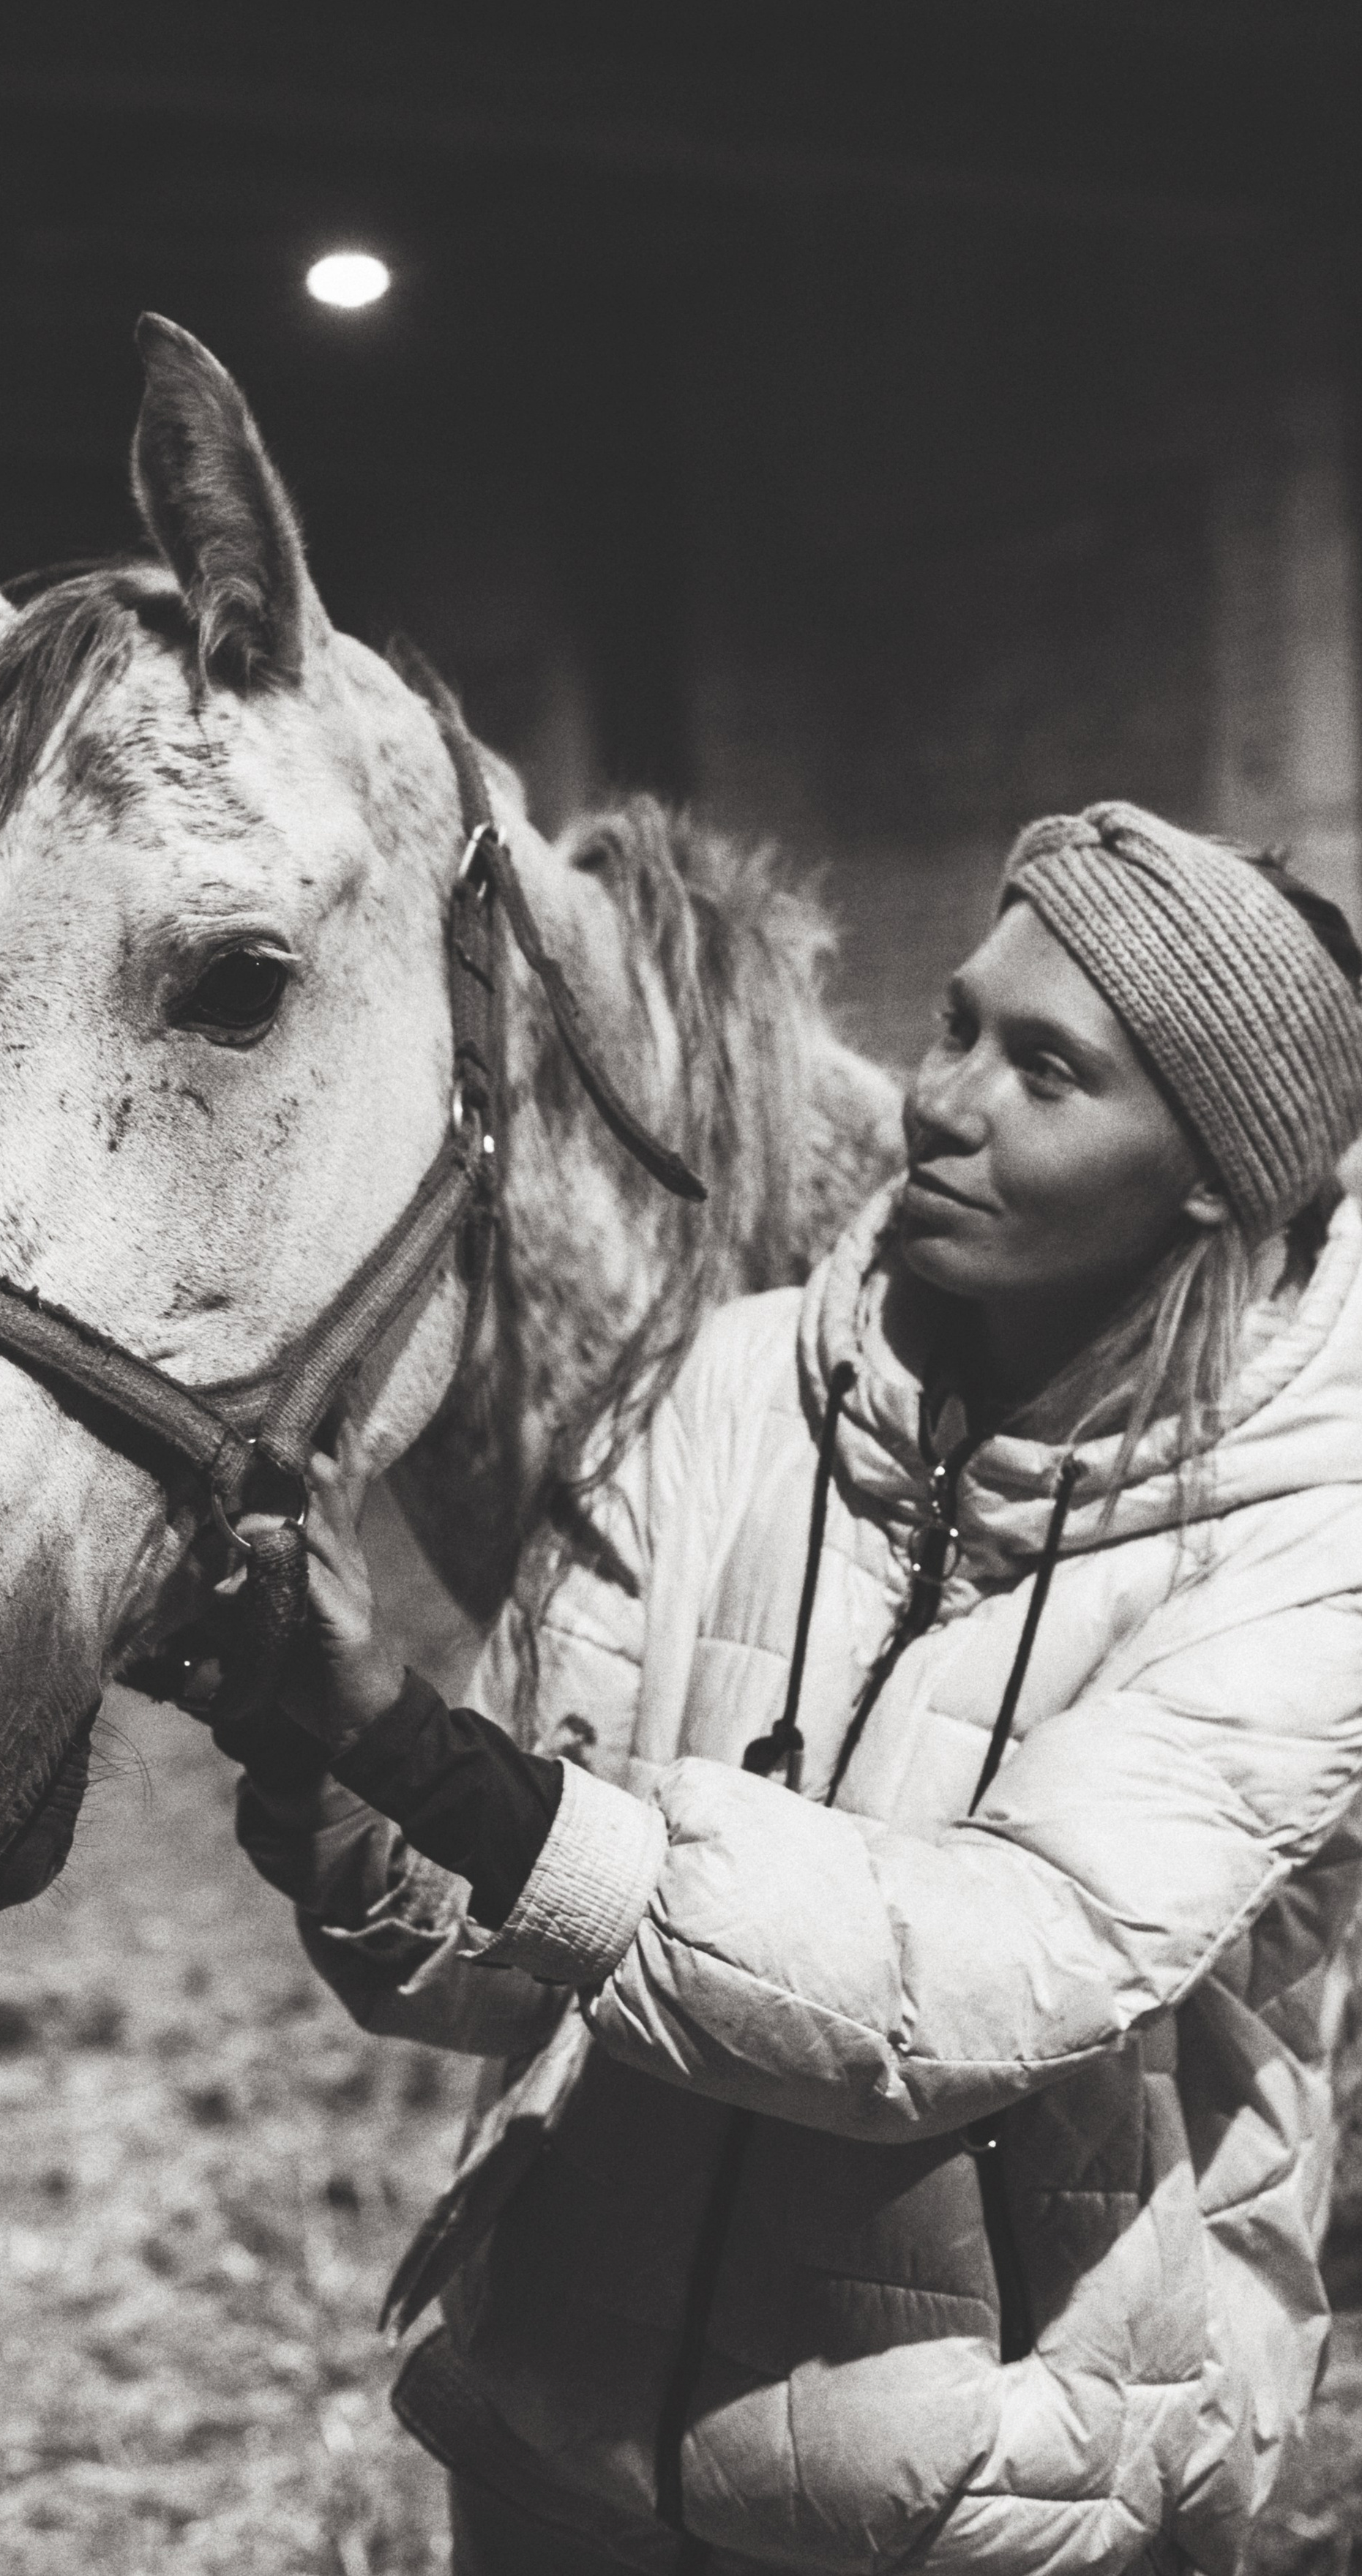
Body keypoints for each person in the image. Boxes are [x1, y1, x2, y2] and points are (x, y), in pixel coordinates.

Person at [216, 801, 1362, 2576]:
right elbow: (490, 1946)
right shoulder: (733, 1387)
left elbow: (967, 1977)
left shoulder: (1307, 1548)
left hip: (995, 2500)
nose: (943, 1101)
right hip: (563, 2433)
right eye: (957, 1023)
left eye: (1045, 1071)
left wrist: (415, 1749)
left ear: (1212, 1171)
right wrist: (317, 1758)